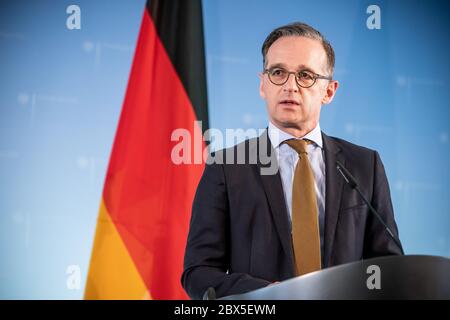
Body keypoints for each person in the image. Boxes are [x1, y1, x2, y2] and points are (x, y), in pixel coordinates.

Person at [181, 22, 403, 300]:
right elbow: (198, 272)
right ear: (263, 85)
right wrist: (269, 294)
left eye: (306, 75)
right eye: (278, 73)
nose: (290, 86)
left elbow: (389, 265)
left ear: (329, 91)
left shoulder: (364, 165)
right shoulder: (226, 167)